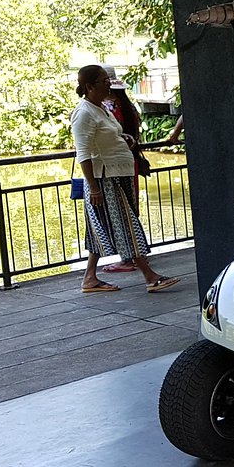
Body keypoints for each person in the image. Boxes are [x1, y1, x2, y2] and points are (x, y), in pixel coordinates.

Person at [71, 64, 180, 295]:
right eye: (103, 81)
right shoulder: (84, 113)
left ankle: (89, 278)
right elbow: (83, 153)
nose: (108, 84)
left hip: (118, 174)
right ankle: (150, 276)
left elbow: (112, 135)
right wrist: (93, 187)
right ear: (89, 86)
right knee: (127, 226)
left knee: (99, 228)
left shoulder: (100, 108)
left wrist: (125, 138)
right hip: (105, 179)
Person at [101, 68, 146, 273]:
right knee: (131, 206)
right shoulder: (128, 107)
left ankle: (128, 257)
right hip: (131, 162)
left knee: (122, 211)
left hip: (114, 166)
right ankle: (137, 255)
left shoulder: (106, 108)